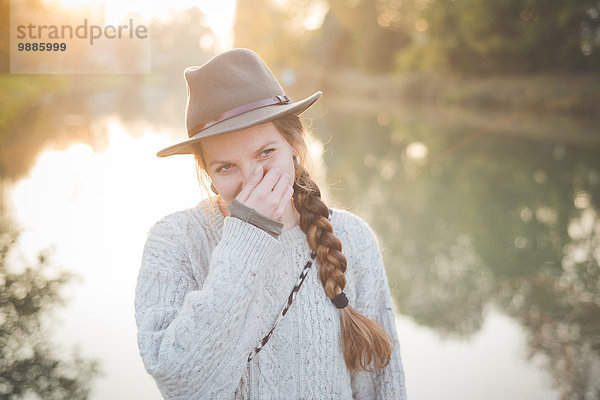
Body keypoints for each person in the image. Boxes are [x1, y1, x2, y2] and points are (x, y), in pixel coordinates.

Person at [134, 48, 407, 399]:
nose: (253, 182)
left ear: (294, 145)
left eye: (265, 153)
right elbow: (182, 383)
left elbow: (382, 384)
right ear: (208, 173)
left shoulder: (353, 238)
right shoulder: (175, 241)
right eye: (226, 167)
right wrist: (249, 233)